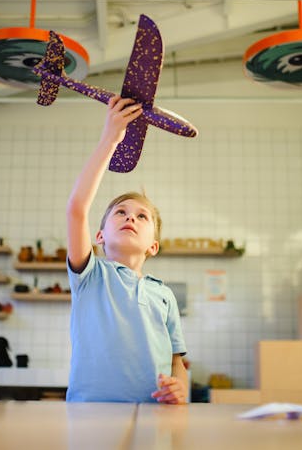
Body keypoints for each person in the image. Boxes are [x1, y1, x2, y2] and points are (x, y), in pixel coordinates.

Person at [65, 95, 188, 404]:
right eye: (120, 212)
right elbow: (77, 208)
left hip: (153, 416)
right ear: (100, 235)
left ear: (153, 246)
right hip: (88, 418)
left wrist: (181, 388)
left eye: (141, 216)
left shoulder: (164, 295)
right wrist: (111, 138)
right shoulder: (90, 275)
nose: (130, 216)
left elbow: (177, 363)